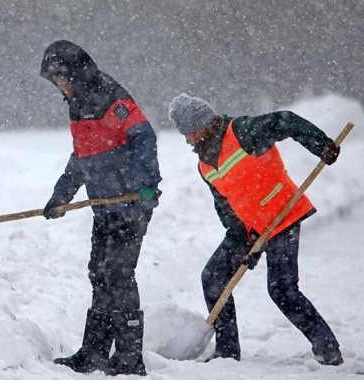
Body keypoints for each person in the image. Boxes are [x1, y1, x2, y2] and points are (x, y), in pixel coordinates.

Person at [168, 93, 343, 365]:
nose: (188, 140)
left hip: (282, 217)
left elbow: (287, 121)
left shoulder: (243, 132)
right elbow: (225, 207)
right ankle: (227, 351)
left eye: (189, 133)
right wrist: (244, 242)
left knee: (282, 290)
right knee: (213, 277)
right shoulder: (204, 164)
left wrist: (320, 144)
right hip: (249, 229)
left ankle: (327, 347)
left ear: (202, 125)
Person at [39, 40, 161, 376]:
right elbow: (82, 156)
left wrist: (146, 184)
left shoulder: (111, 97)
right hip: (104, 206)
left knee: (119, 274)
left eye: (61, 79)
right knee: (100, 273)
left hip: (132, 202)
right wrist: (61, 195)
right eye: (55, 82)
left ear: (75, 73)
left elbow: (144, 137)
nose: (59, 87)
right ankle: (93, 353)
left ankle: (129, 357)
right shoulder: (76, 105)